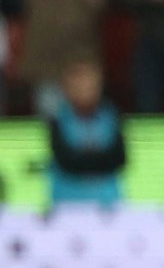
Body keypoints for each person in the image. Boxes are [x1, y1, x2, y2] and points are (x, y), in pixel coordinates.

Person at [46, 58, 125, 206]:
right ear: (67, 89)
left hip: (107, 206)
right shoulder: (57, 120)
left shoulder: (112, 117)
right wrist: (99, 159)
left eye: (89, 86)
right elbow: (65, 161)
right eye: (78, 87)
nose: (83, 92)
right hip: (67, 205)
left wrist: (82, 158)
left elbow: (119, 158)